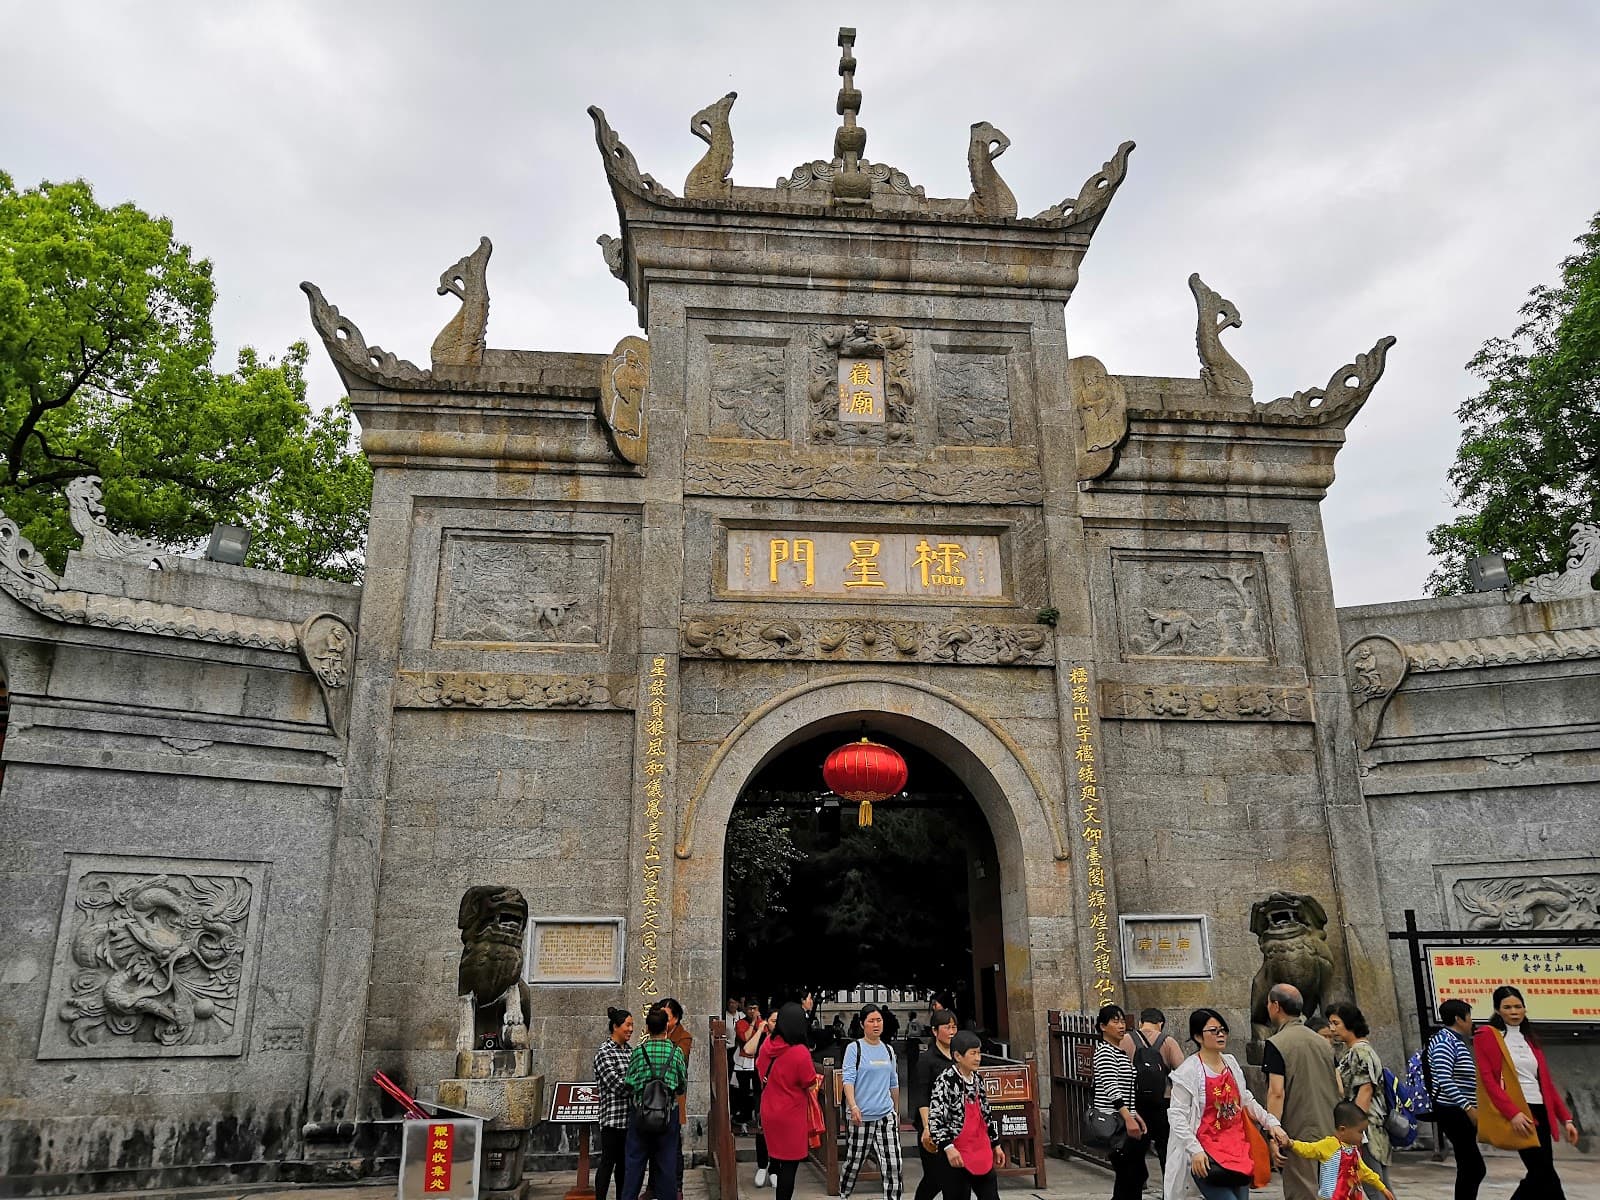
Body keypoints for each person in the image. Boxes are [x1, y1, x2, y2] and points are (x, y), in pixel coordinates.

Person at [1164, 1007, 1288, 1200]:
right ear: (1198, 1036)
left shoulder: (1230, 1063)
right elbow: (1177, 1115)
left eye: (1223, 1030)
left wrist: (1271, 1123)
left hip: (1237, 1150)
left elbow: (1246, 1099)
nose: (1220, 1035)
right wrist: (1194, 1149)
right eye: (1213, 1031)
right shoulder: (1188, 1071)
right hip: (1207, 1156)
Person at [1473, 983, 1579, 1199]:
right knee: (1543, 1173)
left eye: (1518, 1006)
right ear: (1497, 1010)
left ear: (1524, 1008)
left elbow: (1545, 1084)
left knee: (1541, 1172)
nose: (1514, 1012)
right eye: (1507, 1007)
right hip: (1520, 1112)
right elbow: (1489, 1081)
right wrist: (1512, 1113)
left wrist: (1566, 1119)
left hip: (1540, 1110)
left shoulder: (1529, 1038)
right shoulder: (1487, 1035)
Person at [1264, 984, 1342, 1200]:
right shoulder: (1323, 1043)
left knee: (1303, 1191)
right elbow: (1339, 1086)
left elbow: (1276, 1092)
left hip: (1297, 1131)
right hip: (1330, 1127)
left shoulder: (1277, 1043)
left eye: (1268, 1003)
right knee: (1331, 1190)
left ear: (1276, 1006)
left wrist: (1273, 1133)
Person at [926, 1030, 1007, 1200]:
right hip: (956, 1151)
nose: (978, 1058)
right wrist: (948, 1148)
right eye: (973, 1053)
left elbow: (986, 1115)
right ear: (958, 1056)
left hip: (980, 1148)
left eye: (979, 1053)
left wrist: (996, 1144)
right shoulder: (945, 1081)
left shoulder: (977, 1079)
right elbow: (935, 1118)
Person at [620, 1005, 687, 1200]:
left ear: (647, 1028)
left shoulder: (639, 1052)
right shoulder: (676, 1053)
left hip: (640, 1113)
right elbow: (681, 1085)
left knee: (634, 1163)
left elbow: (629, 1082)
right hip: (667, 1114)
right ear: (667, 1026)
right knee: (667, 1164)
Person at [758, 1003, 822, 1200]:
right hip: (791, 1114)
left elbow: (760, 1069)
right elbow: (810, 1082)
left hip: (769, 1109)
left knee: (777, 1155)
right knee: (789, 1165)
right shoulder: (800, 1052)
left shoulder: (768, 1044)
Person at [1326, 1002, 1391, 1198]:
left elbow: (1365, 1090)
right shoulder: (1354, 1051)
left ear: (1350, 1023)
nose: (1332, 1029)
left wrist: (1355, 1132)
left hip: (1366, 1131)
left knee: (1373, 1186)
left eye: (1336, 1023)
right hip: (1365, 1130)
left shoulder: (1360, 1052)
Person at [840, 1003, 903, 1200]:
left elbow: (893, 1083)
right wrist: (853, 1106)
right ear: (862, 1024)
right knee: (854, 1161)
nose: (876, 1024)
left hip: (886, 1115)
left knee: (893, 1163)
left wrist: (897, 1111)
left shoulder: (889, 1050)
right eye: (871, 1021)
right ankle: (844, 1193)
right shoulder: (854, 1048)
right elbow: (848, 1079)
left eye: (879, 1020)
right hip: (862, 1116)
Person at [1425, 999, 1483, 1200]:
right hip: (1453, 1112)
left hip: (1459, 1111)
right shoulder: (1444, 1042)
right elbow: (1444, 1079)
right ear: (1459, 1019)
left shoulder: (1455, 1040)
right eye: (1469, 1018)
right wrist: (1468, 1108)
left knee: (1470, 1167)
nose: (1472, 1023)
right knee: (1473, 1167)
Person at [1091, 1003, 1147, 1200]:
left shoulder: (1119, 1052)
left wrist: (1134, 1115)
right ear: (1102, 1027)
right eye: (1115, 1021)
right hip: (1115, 1123)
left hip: (1125, 1119)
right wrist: (1128, 1117)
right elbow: (1111, 1088)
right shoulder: (1105, 1052)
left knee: (1135, 1175)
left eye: (1122, 1021)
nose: (1121, 1025)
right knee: (1129, 1175)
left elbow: (1126, 1090)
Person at [1286, 1099, 1395, 1200]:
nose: (1362, 1137)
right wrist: (1291, 1144)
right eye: (1360, 1132)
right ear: (1343, 1129)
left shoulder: (1354, 1151)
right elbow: (1308, 1149)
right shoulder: (1329, 1145)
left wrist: (1382, 1187)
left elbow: (1365, 1172)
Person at [1118, 1006, 1183, 1173]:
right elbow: (1182, 1073)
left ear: (1141, 1022)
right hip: (1162, 1102)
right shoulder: (1168, 1042)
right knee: (1165, 1148)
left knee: (1135, 1150)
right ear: (1160, 1024)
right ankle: (1168, 1191)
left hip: (1134, 1103)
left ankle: (1136, 1187)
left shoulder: (1125, 1039)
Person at [911, 1008, 960, 1200]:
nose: (951, 1031)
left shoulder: (960, 1057)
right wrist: (927, 1126)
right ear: (934, 1031)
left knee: (956, 1179)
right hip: (932, 1127)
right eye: (947, 1027)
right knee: (935, 1177)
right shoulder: (927, 1060)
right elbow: (922, 1095)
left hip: (956, 1126)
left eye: (954, 1027)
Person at [593, 1007, 634, 1200]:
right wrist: (637, 1087)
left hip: (629, 1118)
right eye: (627, 1025)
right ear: (615, 1027)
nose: (631, 1029)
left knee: (624, 1165)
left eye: (632, 1025)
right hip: (612, 1119)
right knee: (607, 1162)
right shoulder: (604, 1052)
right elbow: (616, 1084)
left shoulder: (631, 1051)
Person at [733, 1000, 764, 1133]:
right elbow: (745, 1037)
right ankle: (743, 1119)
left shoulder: (762, 1022)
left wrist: (760, 1021)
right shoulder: (740, 1023)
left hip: (758, 1061)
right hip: (744, 1061)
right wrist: (752, 1023)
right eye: (750, 1008)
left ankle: (759, 1117)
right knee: (744, 1091)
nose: (752, 1011)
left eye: (754, 1008)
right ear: (745, 1009)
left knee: (759, 1090)